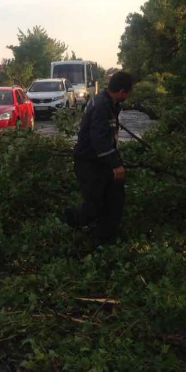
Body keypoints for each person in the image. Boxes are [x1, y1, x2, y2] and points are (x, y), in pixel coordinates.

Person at [65, 71, 134, 247]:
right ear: (122, 91)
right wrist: (116, 164)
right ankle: (71, 219)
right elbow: (99, 140)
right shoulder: (102, 105)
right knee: (95, 204)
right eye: (128, 92)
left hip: (100, 160)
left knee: (114, 198)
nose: (128, 96)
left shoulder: (109, 101)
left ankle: (105, 239)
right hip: (89, 162)